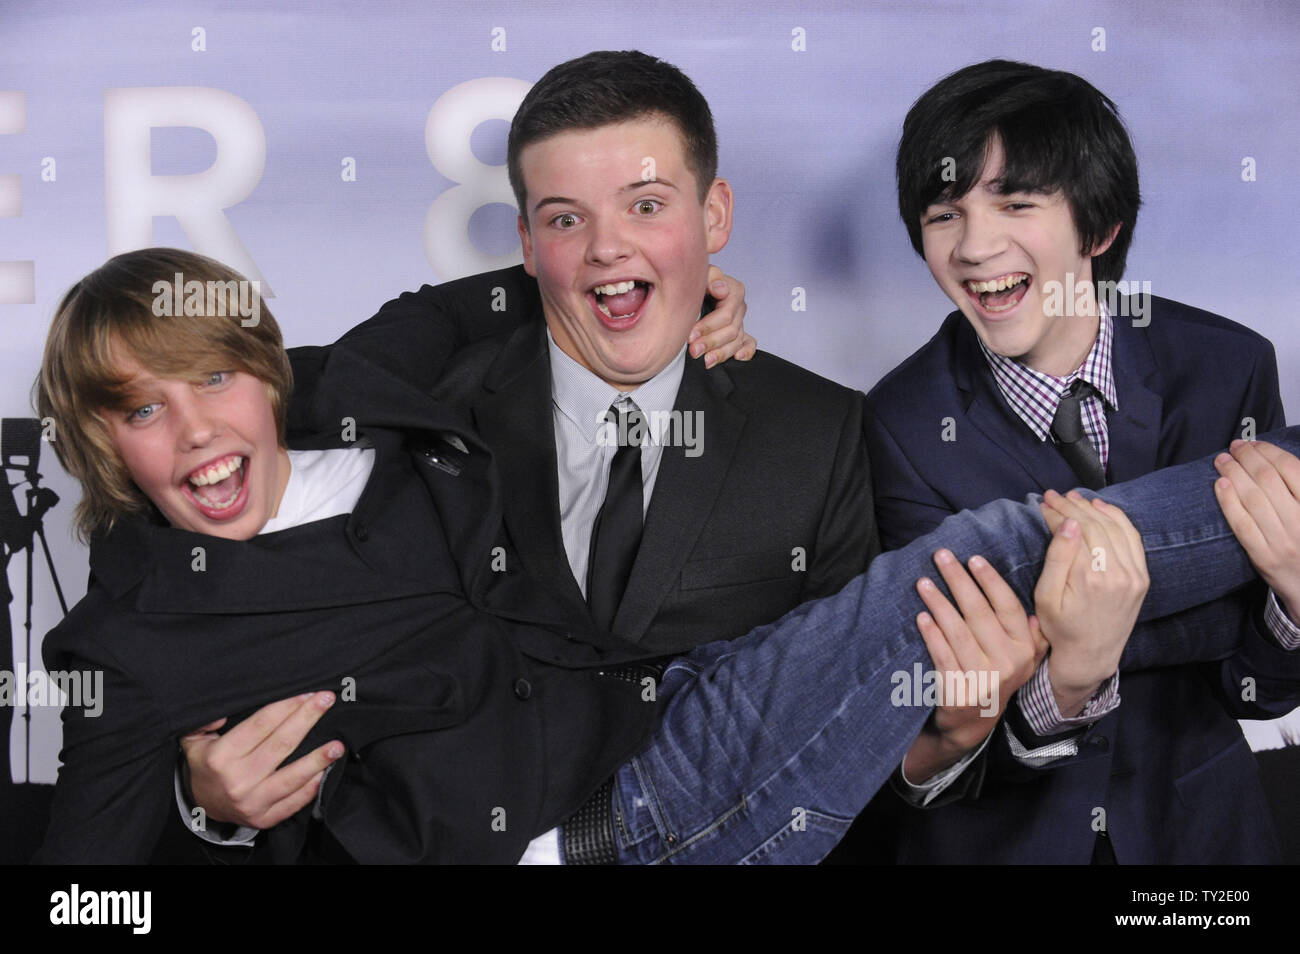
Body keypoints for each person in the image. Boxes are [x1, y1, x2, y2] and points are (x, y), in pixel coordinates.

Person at [34, 247, 1300, 864]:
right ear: (101, 443)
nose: (195, 432)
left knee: (989, 568)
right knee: (1000, 548)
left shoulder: (359, 379)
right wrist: (204, 822)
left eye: (209, 382)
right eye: (139, 411)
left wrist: (678, 283)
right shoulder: (135, 637)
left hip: (679, 703)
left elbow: (534, 278)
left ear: (264, 369)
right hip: (590, 837)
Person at [182, 49, 879, 864]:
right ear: (524, 241)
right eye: (565, 220)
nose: (607, 249)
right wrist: (209, 806)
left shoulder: (822, 434)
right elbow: (191, 446)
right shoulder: (420, 412)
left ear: (715, 215)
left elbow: (845, 720)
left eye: (648, 206)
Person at [841, 59, 1300, 863]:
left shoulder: (1228, 366)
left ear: (1099, 227)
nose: (976, 246)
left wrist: (1295, 601)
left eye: (1016, 203)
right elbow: (930, 724)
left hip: (1199, 843)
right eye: (945, 213)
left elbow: (1252, 688)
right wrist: (1069, 680)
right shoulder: (895, 424)